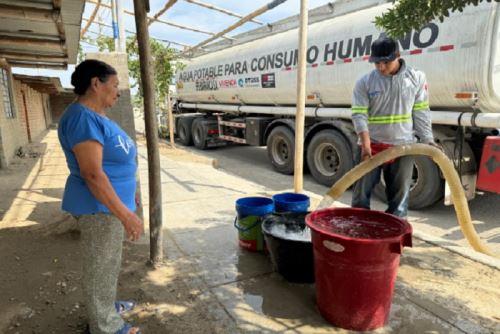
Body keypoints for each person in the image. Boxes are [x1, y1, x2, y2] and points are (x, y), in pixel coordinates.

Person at [58, 59, 143, 334]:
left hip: (108, 207)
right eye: (115, 85)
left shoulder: (94, 116)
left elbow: (115, 161)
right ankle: (105, 326)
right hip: (99, 208)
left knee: (107, 262)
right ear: (96, 83)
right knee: (100, 266)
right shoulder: (83, 119)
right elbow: (92, 174)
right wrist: (126, 215)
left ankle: (105, 306)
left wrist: (133, 194)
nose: (118, 92)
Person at [351, 37, 436, 218]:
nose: (381, 67)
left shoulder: (416, 78)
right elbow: (359, 114)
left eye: (386, 62)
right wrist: (365, 145)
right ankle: (358, 230)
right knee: (360, 196)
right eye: (376, 63)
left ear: (397, 56)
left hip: (402, 147)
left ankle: (392, 238)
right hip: (371, 146)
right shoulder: (365, 82)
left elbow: (421, 112)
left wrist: (428, 140)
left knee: (399, 199)